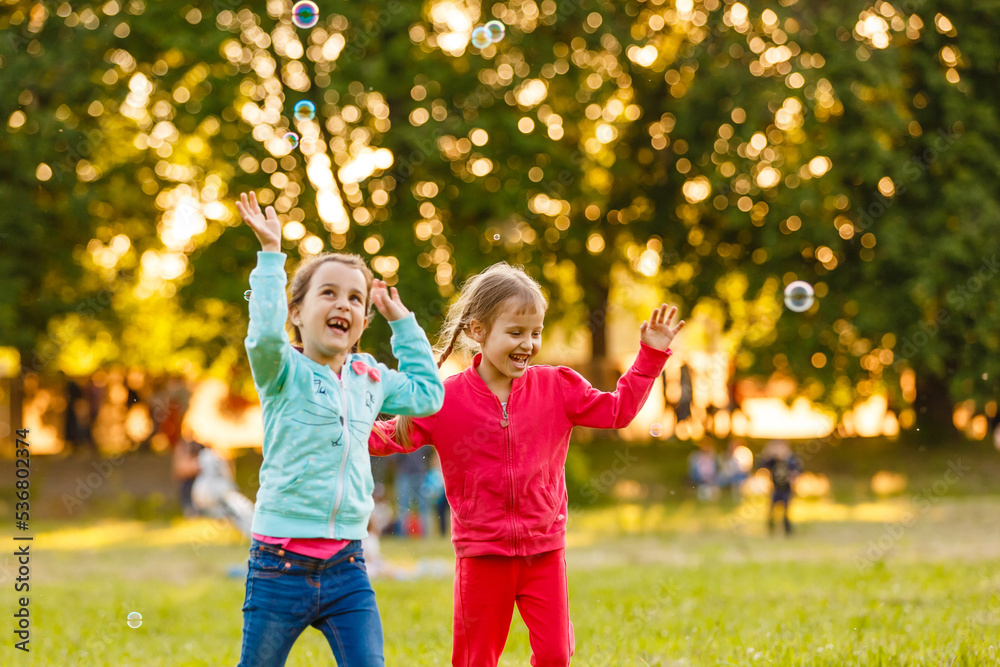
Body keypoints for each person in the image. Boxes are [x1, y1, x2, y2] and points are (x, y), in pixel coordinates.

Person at [369, 262, 684, 667]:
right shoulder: (443, 400)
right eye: (516, 333)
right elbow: (388, 437)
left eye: (535, 332)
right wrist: (334, 418)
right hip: (481, 556)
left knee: (555, 655)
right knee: (474, 659)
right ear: (477, 331)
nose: (528, 343)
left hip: (544, 552)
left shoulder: (558, 386)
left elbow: (618, 412)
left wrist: (650, 355)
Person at [235, 191, 444, 667]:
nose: (342, 304)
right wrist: (270, 256)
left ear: (363, 321)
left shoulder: (369, 378)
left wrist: (403, 323)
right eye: (327, 292)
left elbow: (428, 396)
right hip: (277, 564)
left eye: (354, 298)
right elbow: (263, 335)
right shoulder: (281, 370)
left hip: (348, 564)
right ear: (295, 313)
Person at [191, 443, 255, 537]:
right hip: (221, 488)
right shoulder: (214, 456)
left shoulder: (204, 457)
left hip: (216, 490)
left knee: (234, 513)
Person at [759, 439, 801, 535]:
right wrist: (768, 454)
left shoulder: (791, 460)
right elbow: (762, 464)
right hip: (775, 488)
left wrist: (793, 476)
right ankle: (771, 529)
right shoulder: (774, 460)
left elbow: (797, 470)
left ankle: (788, 531)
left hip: (786, 488)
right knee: (771, 510)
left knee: (786, 511)